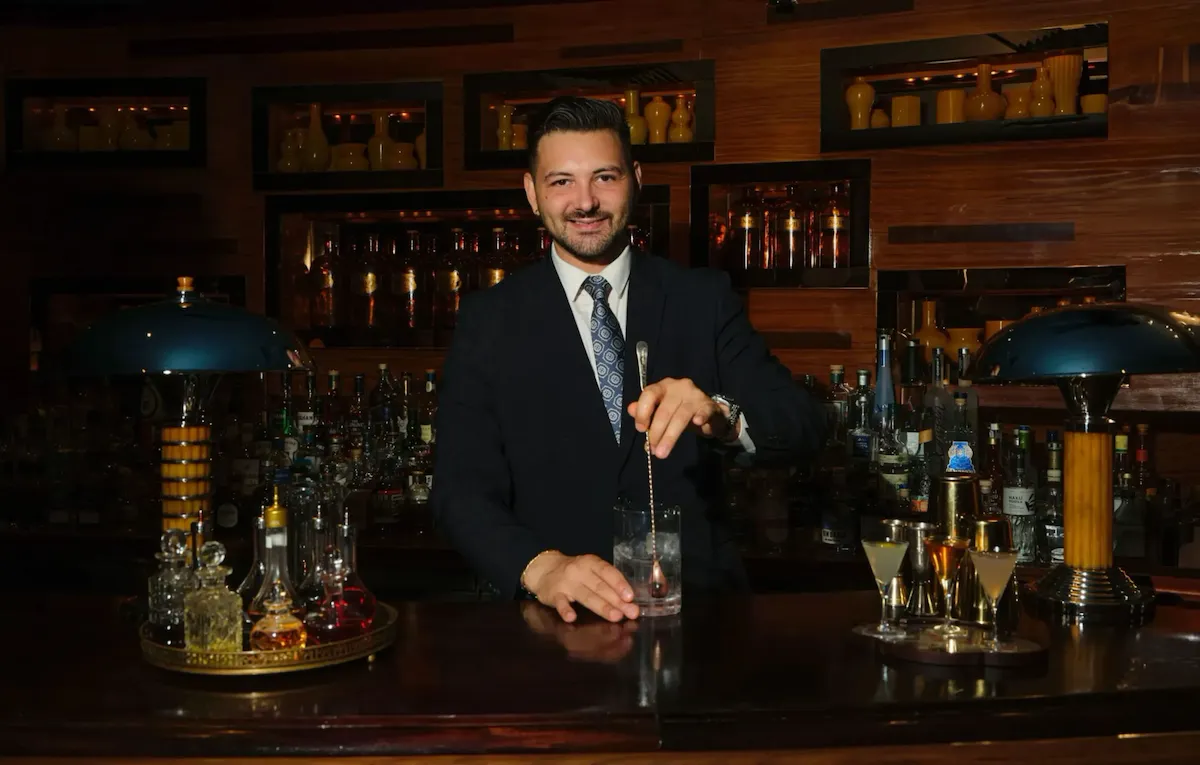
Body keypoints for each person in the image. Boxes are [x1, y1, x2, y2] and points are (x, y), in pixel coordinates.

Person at [432, 96, 825, 623]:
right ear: (531, 193)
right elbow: (459, 491)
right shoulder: (489, 321)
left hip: (700, 620)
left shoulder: (700, 299)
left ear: (636, 180)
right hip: (556, 628)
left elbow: (802, 425)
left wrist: (721, 413)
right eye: (561, 182)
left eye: (605, 177)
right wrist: (539, 568)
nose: (586, 202)